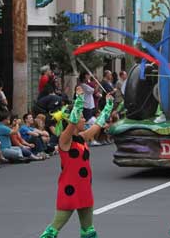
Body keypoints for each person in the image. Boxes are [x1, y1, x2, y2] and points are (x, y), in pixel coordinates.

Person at [39, 87, 115, 238]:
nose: (84, 119)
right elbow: (73, 121)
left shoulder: (82, 137)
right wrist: (79, 99)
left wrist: (108, 105)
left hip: (84, 187)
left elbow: (98, 124)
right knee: (53, 231)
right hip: (70, 189)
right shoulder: (65, 140)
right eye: (82, 116)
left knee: (89, 231)